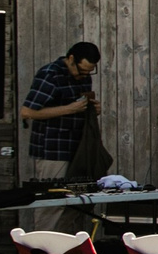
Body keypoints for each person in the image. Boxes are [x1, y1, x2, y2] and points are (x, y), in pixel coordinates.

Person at [19, 41, 101, 180]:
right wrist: (68, 109)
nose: (84, 75)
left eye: (89, 71)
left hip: (79, 147)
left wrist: (92, 110)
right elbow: (27, 112)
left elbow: (80, 105)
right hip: (53, 149)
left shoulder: (84, 77)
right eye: (81, 71)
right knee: (55, 196)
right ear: (71, 59)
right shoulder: (50, 75)